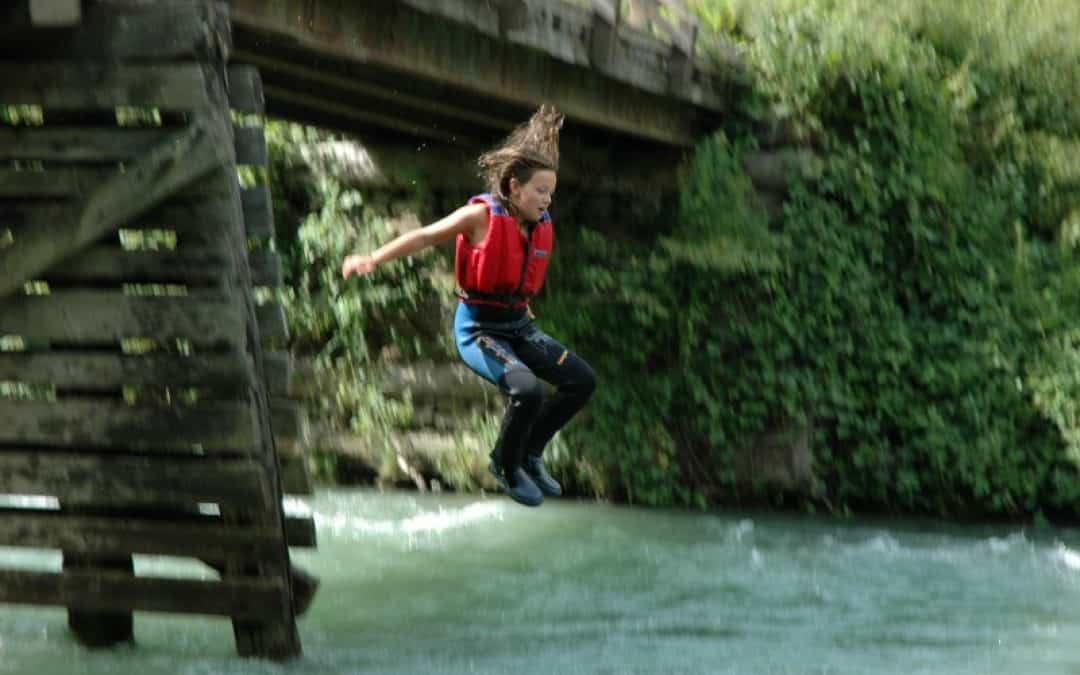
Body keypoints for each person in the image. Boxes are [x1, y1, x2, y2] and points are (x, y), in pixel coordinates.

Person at [341, 105, 596, 507]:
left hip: (518, 326)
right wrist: (373, 258)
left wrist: (522, 305)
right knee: (527, 390)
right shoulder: (481, 216)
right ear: (514, 187)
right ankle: (505, 464)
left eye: (551, 193)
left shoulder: (537, 224)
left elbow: (521, 271)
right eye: (540, 191)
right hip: (479, 330)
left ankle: (530, 453)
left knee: (581, 380)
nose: (547, 200)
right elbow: (426, 235)